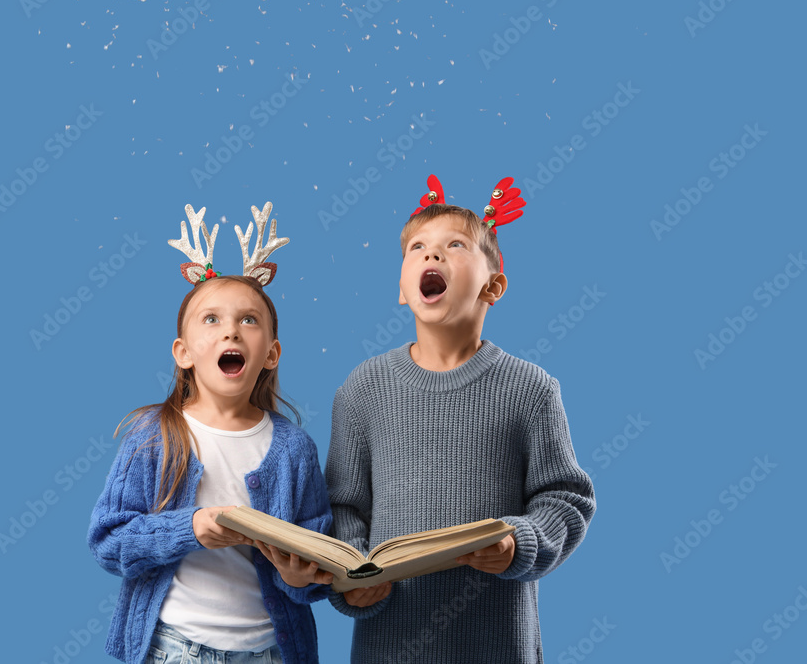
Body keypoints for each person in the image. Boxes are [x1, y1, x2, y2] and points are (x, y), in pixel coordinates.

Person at [325, 175, 596, 662]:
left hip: (497, 644)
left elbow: (566, 499)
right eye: (418, 248)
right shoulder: (361, 390)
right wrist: (351, 583)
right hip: (389, 645)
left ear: (493, 285)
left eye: (455, 245)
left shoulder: (530, 389)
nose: (433, 255)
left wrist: (521, 542)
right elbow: (344, 508)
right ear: (403, 290)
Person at [88, 203, 332, 664]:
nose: (232, 333)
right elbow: (110, 541)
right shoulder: (153, 437)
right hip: (174, 648)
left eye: (249, 320)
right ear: (183, 352)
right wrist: (192, 527)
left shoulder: (294, 450)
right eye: (212, 319)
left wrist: (300, 576)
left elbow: (316, 561)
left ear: (272, 353)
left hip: (270, 651)